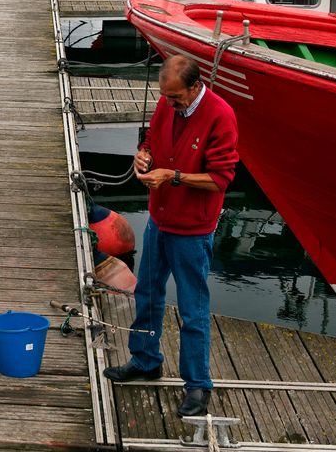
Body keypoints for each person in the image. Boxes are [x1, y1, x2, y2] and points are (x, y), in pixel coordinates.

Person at [103, 54, 238, 420]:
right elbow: (150, 138)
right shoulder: (167, 102)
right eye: (166, 96)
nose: (170, 102)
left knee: (193, 310)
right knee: (147, 293)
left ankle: (198, 386)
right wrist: (142, 157)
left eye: (176, 97)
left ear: (195, 87)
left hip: (192, 232)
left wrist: (173, 176)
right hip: (160, 220)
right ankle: (146, 360)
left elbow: (222, 179)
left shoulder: (220, 115)